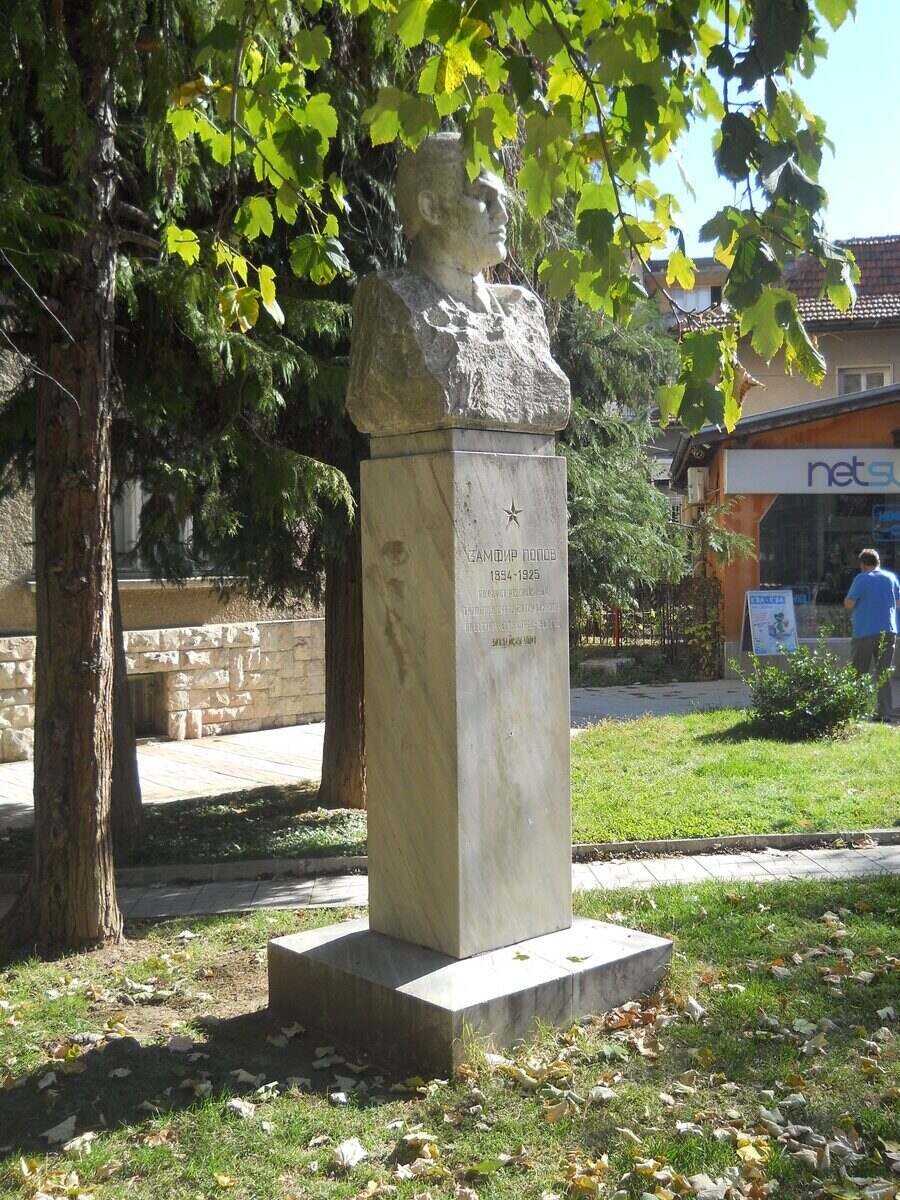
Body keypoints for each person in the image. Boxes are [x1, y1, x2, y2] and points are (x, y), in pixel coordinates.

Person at [844, 548, 900, 721]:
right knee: (883, 674)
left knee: (859, 672)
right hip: (889, 631)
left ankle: (856, 711)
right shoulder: (891, 578)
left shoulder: (862, 578)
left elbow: (849, 604)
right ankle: (885, 713)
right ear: (878, 562)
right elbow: (898, 602)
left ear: (862, 564)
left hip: (865, 632)